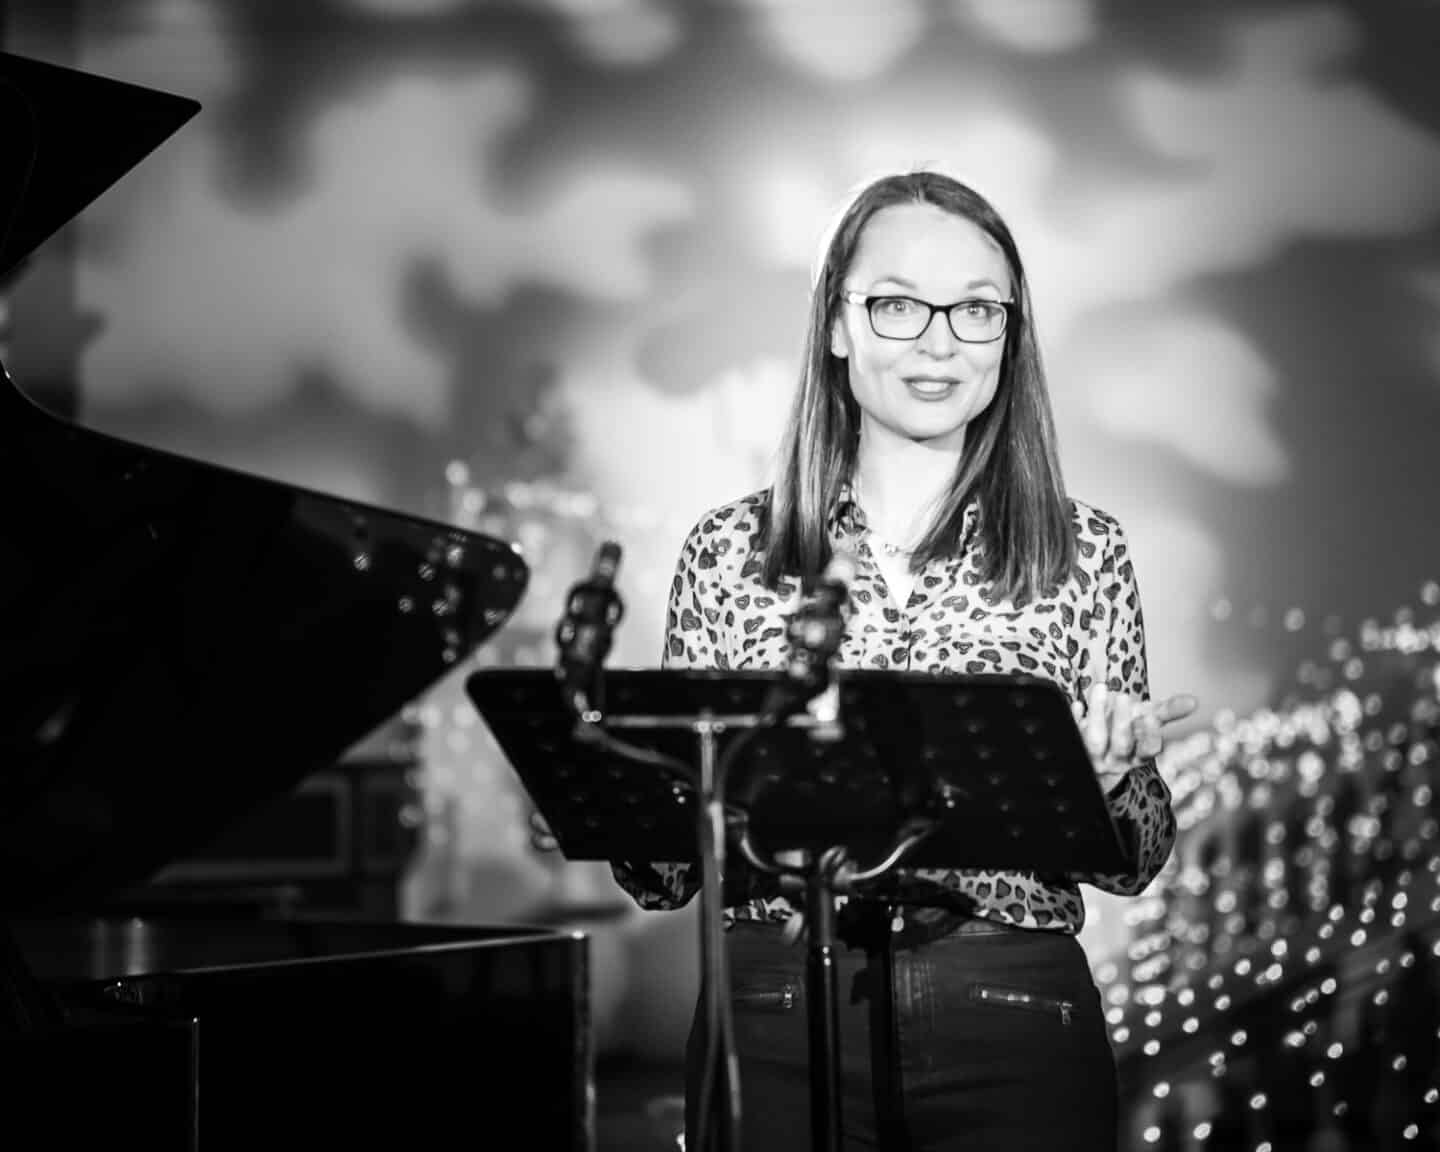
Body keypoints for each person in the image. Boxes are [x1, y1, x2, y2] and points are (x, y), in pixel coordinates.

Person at [610, 169, 1199, 1152]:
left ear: (1010, 336)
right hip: (773, 1014)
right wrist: (609, 790)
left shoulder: (1084, 549)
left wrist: (1112, 775)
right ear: (836, 324)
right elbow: (667, 874)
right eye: (897, 304)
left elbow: (1135, 863)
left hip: (1010, 1013)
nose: (939, 340)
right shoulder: (727, 552)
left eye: (976, 310)